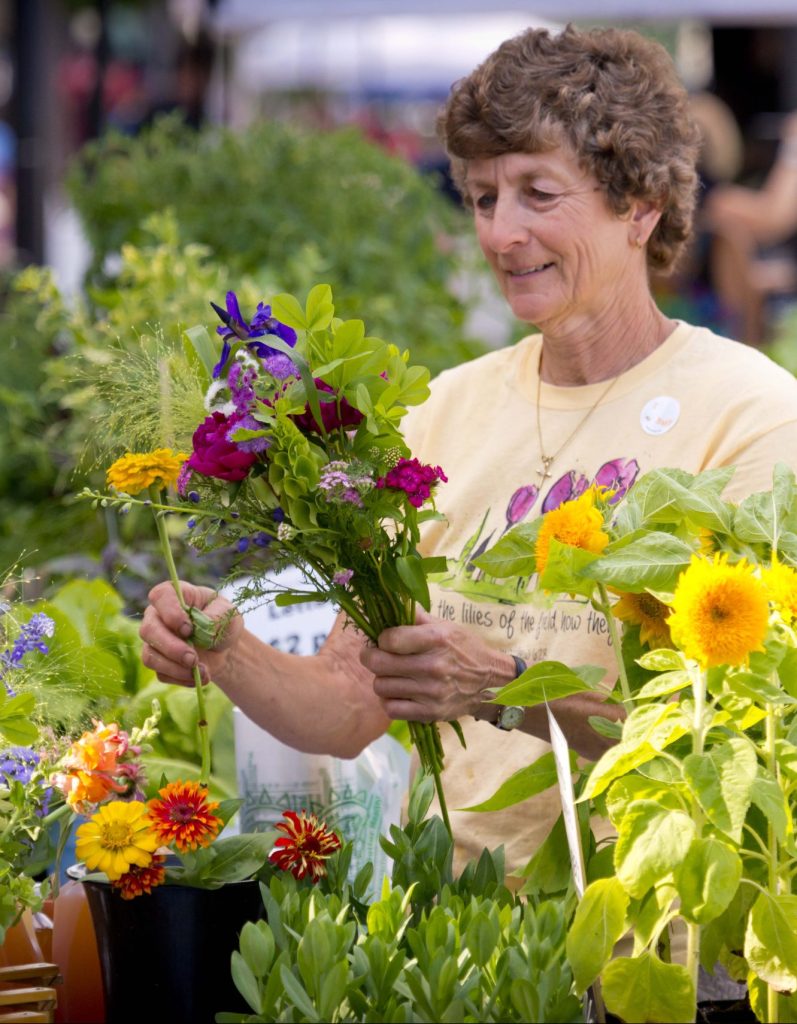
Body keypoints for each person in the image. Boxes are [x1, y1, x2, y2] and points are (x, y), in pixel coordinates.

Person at [139, 25, 797, 875]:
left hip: (653, 944)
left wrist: (503, 687)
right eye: (484, 198)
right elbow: (349, 705)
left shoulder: (749, 414)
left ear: (640, 206)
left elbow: (741, 741)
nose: (499, 233)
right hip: (463, 937)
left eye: (536, 193)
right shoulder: (444, 410)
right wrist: (224, 647)